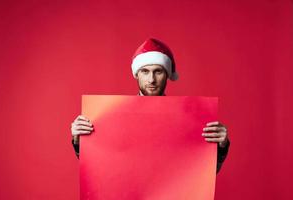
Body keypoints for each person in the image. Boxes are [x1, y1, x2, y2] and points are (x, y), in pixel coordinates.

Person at [71, 38, 230, 173]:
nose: (151, 79)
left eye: (158, 71)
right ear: (137, 75)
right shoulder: (112, 116)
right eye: (145, 71)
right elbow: (99, 168)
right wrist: (79, 140)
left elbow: (200, 174)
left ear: (167, 74)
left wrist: (221, 146)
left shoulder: (188, 120)